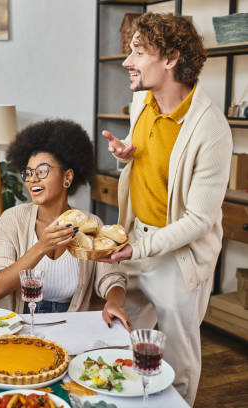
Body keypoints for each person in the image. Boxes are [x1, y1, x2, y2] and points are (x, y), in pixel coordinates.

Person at [100, 13, 232, 405]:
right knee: (123, 340)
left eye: (138, 52)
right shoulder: (143, 98)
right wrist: (128, 152)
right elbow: (154, 156)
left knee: (177, 362)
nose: (128, 61)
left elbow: (199, 219)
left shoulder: (211, 130)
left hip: (178, 256)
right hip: (135, 237)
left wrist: (139, 249)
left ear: (171, 58)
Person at [0, 120, 128, 323]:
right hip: (21, 325)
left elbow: (112, 279)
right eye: (28, 173)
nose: (32, 179)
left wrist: (113, 302)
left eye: (42, 171)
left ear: (67, 177)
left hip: (72, 326)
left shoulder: (90, 222)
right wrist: (41, 247)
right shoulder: (13, 219)